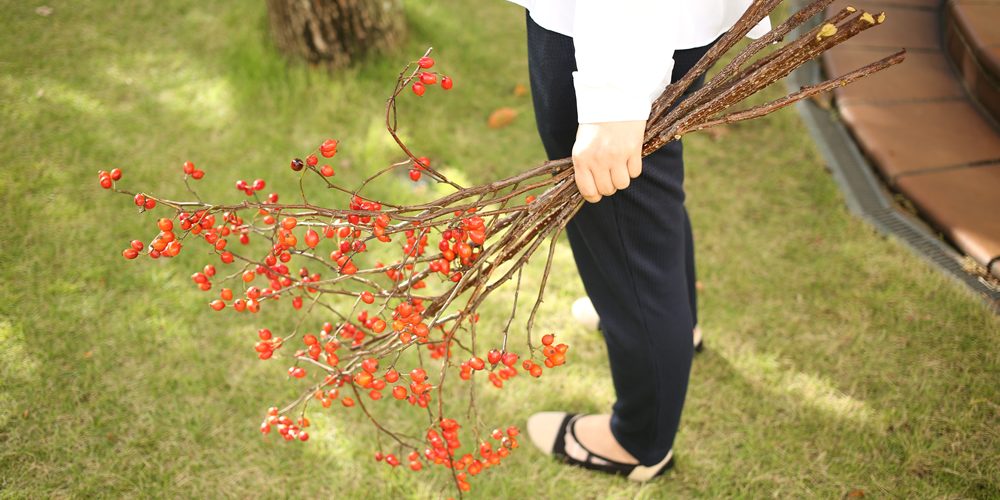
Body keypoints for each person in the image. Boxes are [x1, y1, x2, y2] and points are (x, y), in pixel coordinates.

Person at [508, 1, 770, 481]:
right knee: (648, 200)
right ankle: (674, 326)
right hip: (663, 23)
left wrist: (615, 100)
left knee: (624, 211)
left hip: (611, 33)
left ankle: (637, 441)